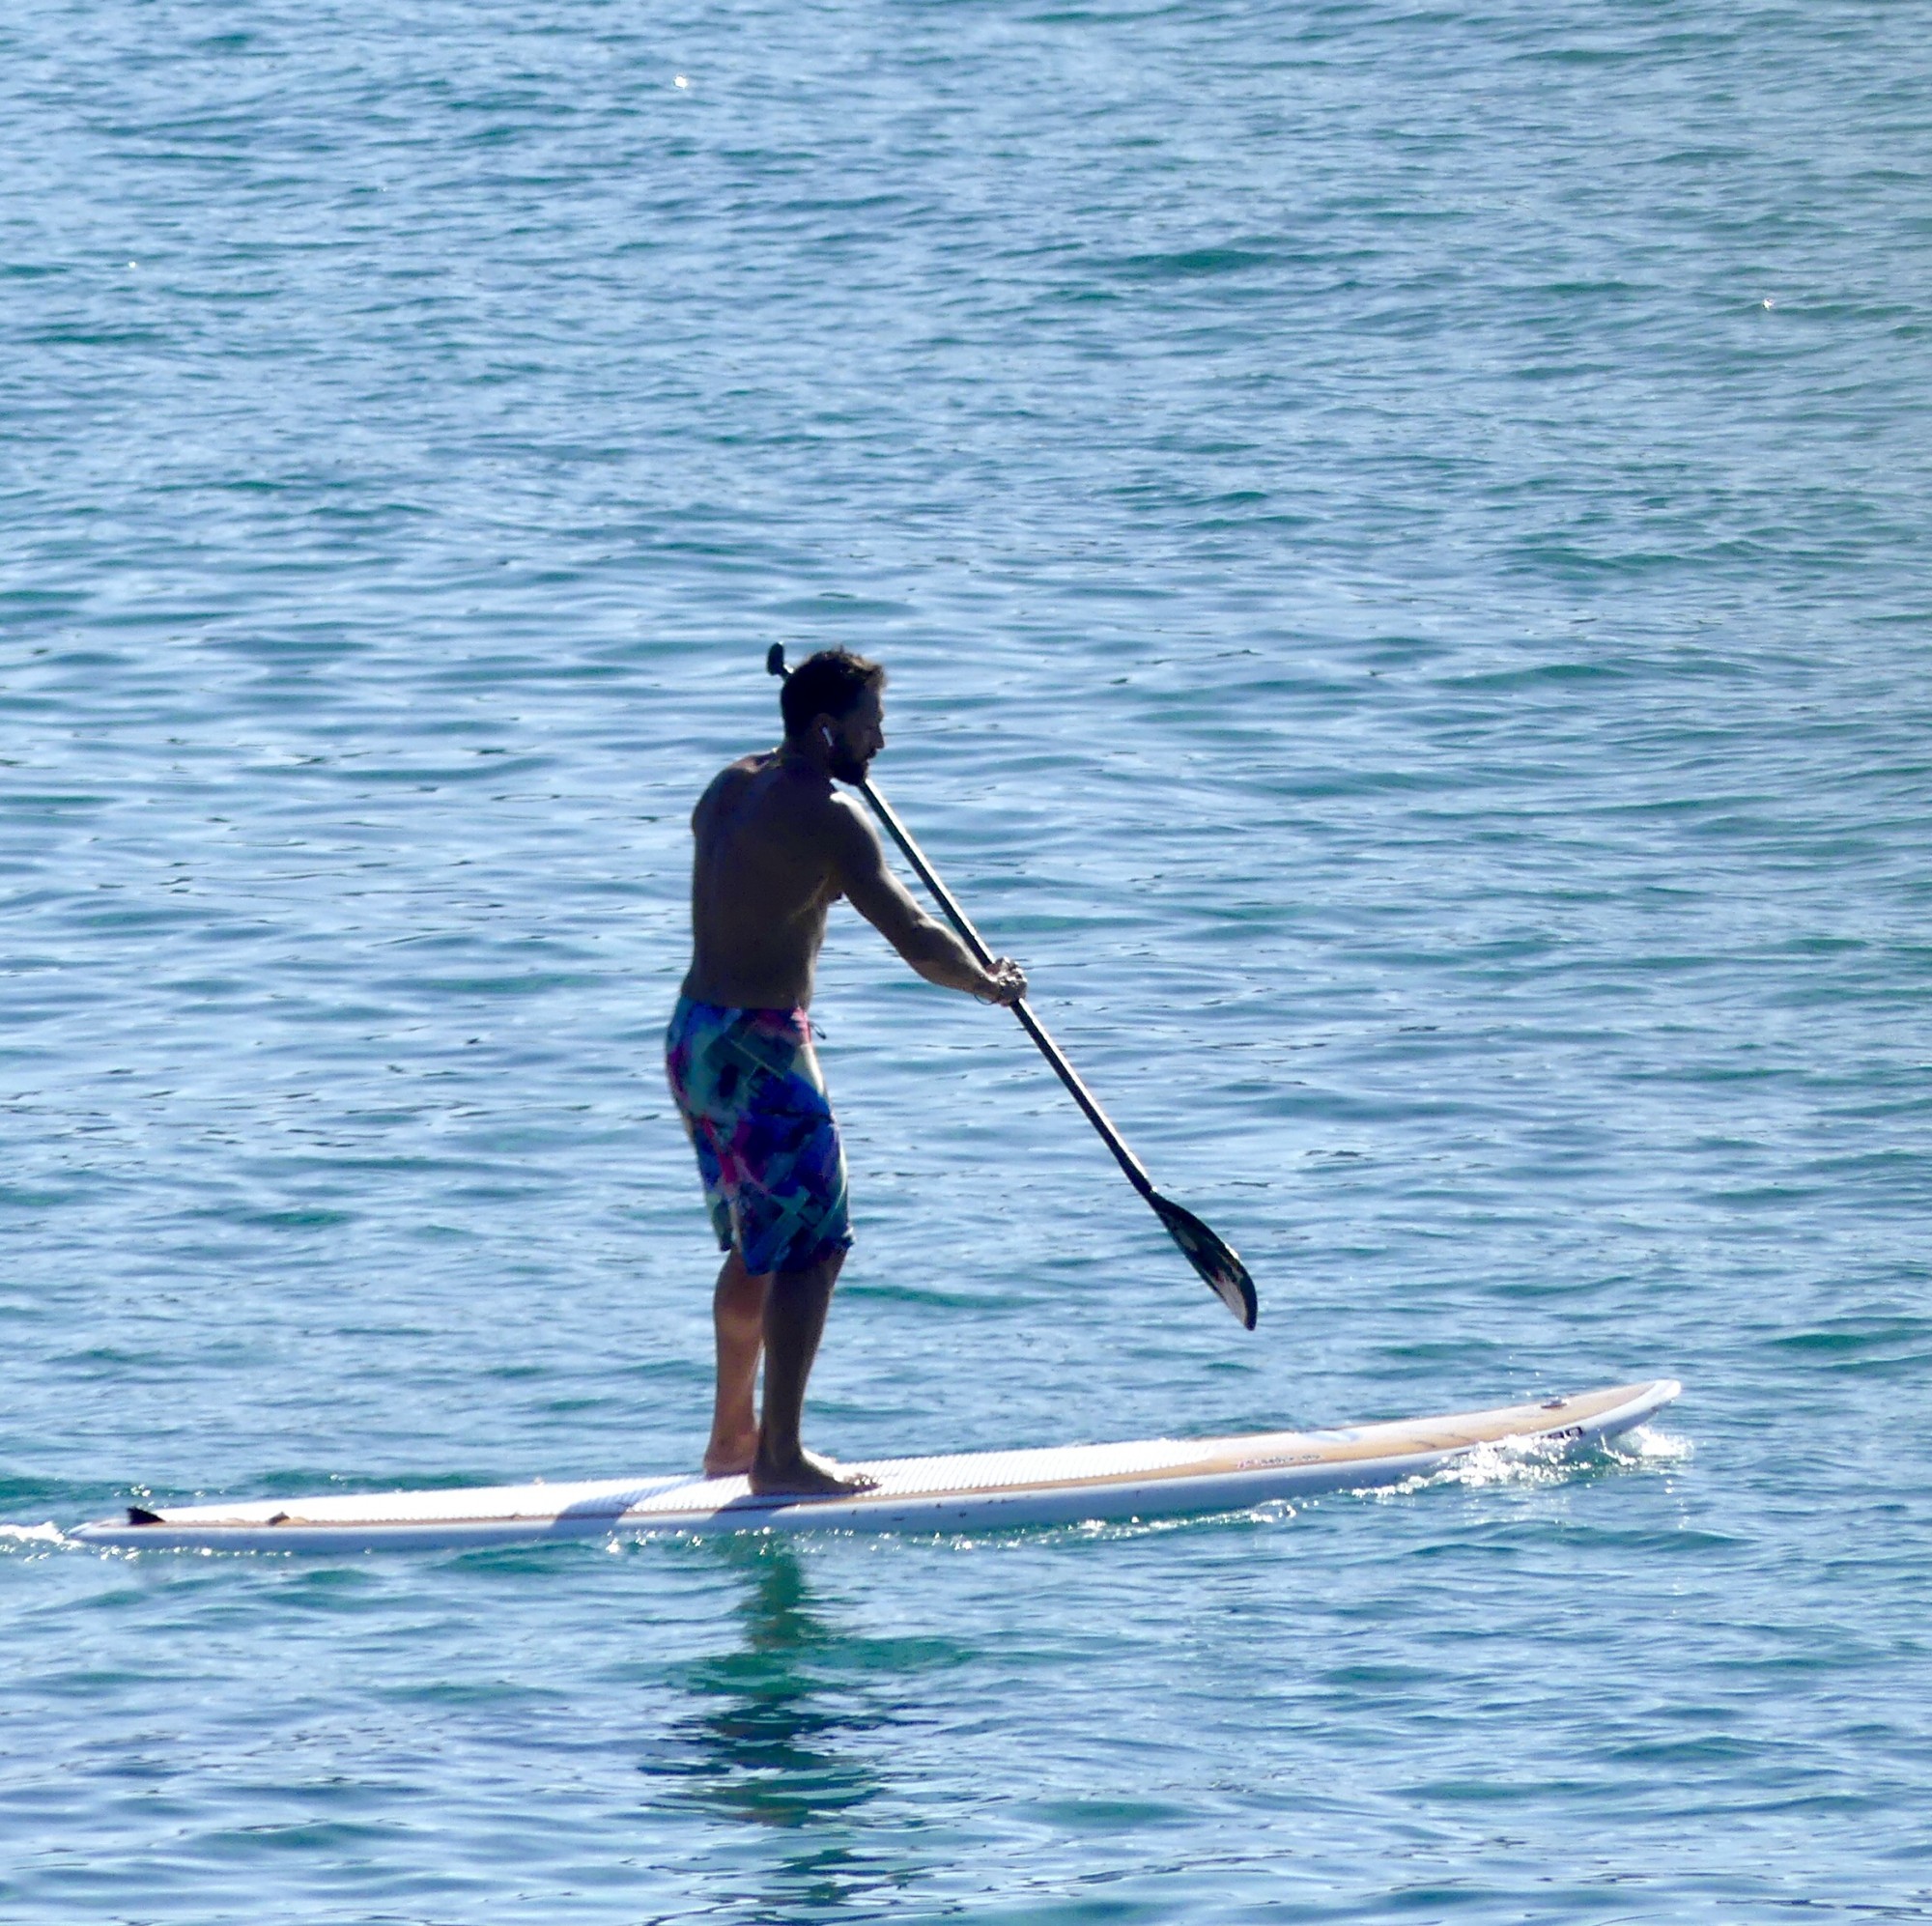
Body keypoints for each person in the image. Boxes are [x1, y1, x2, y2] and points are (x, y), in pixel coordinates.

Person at [666, 649, 1027, 1497]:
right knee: (813, 1248)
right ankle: (780, 1460)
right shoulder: (833, 817)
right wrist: (986, 982)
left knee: (762, 1244)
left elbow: (750, 873)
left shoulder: (728, 786)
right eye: (870, 726)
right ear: (826, 730)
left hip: (695, 1037)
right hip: (761, 1047)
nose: (882, 742)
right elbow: (914, 936)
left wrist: (808, 883)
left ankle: (732, 1440)